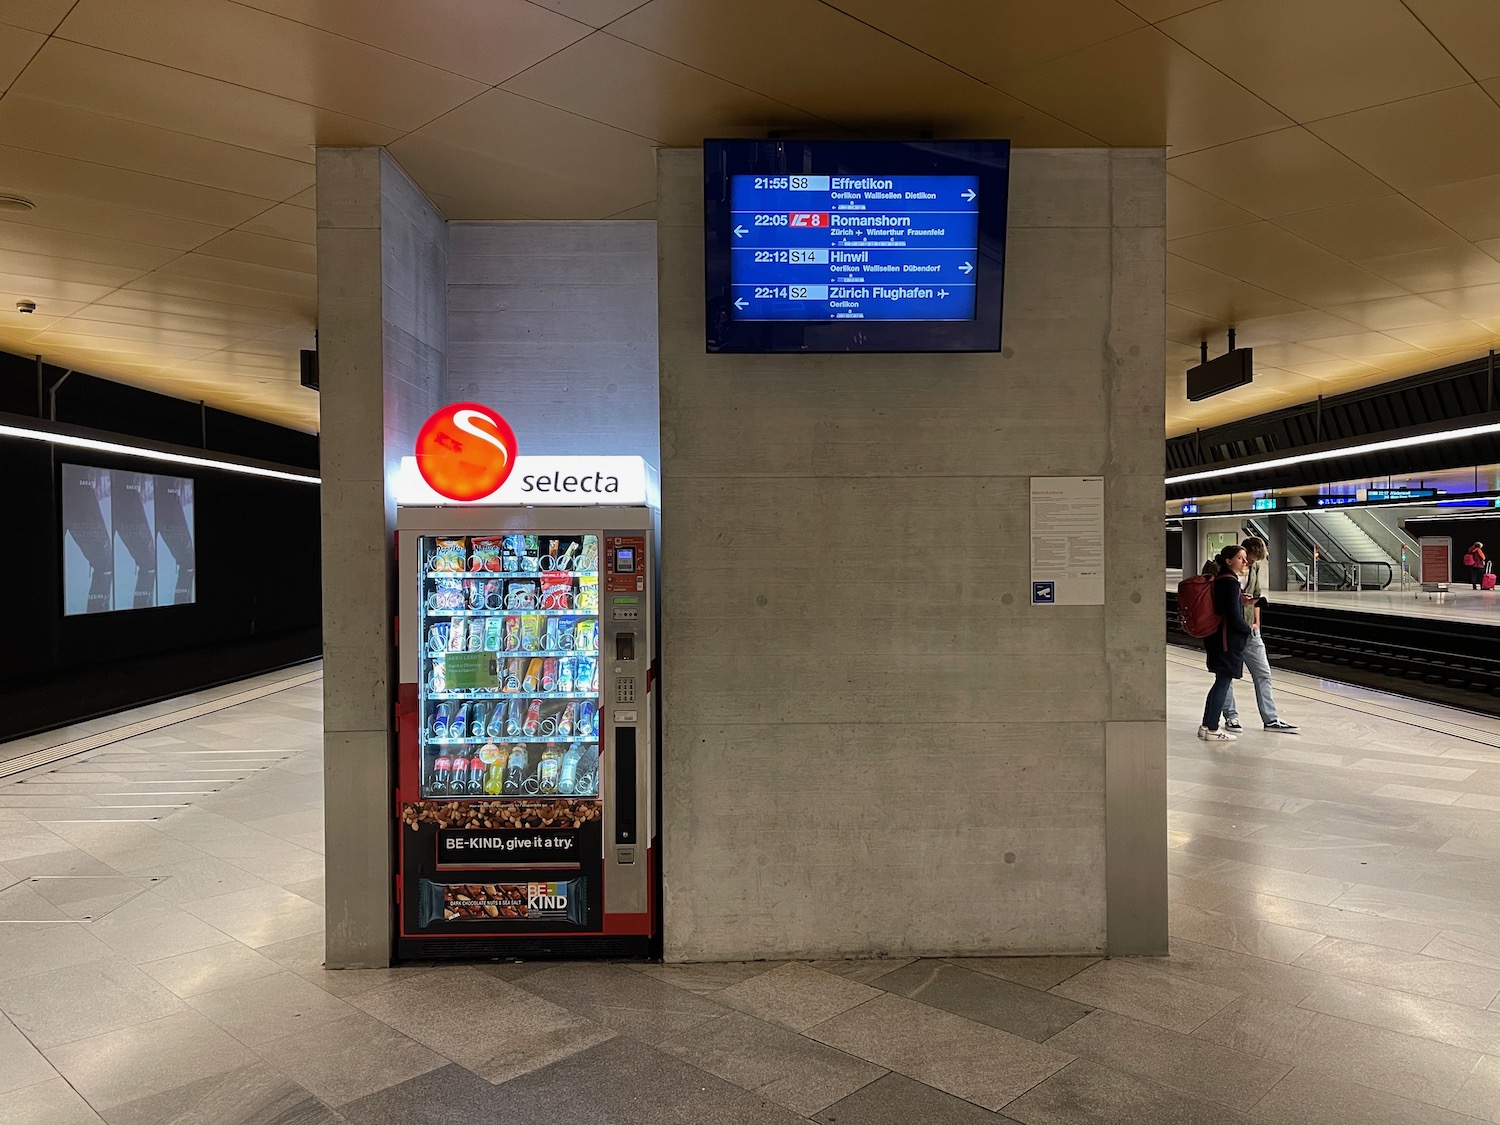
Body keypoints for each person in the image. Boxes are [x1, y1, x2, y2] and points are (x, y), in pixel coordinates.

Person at [1221, 537, 1298, 734]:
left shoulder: (1254, 569)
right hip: (1227, 630)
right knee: (1227, 676)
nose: (1250, 563)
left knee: (1263, 673)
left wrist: (1257, 623)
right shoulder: (1223, 571)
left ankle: (1271, 719)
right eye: (1249, 559)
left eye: (1254, 560)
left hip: (1249, 630)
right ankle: (1231, 717)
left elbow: (1256, 595)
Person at [1200, 544, 1252, 742]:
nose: (1245, 561)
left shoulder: (1221, 579)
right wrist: (1247, 629)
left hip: (1218, 638)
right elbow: (1232, 615)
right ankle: (1213, 729)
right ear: (1229, 561)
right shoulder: (1230, 582)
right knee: (1223, 682)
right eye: (1241, 558)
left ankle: (1206, 725)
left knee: (1220, 682)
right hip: (1226, 640)